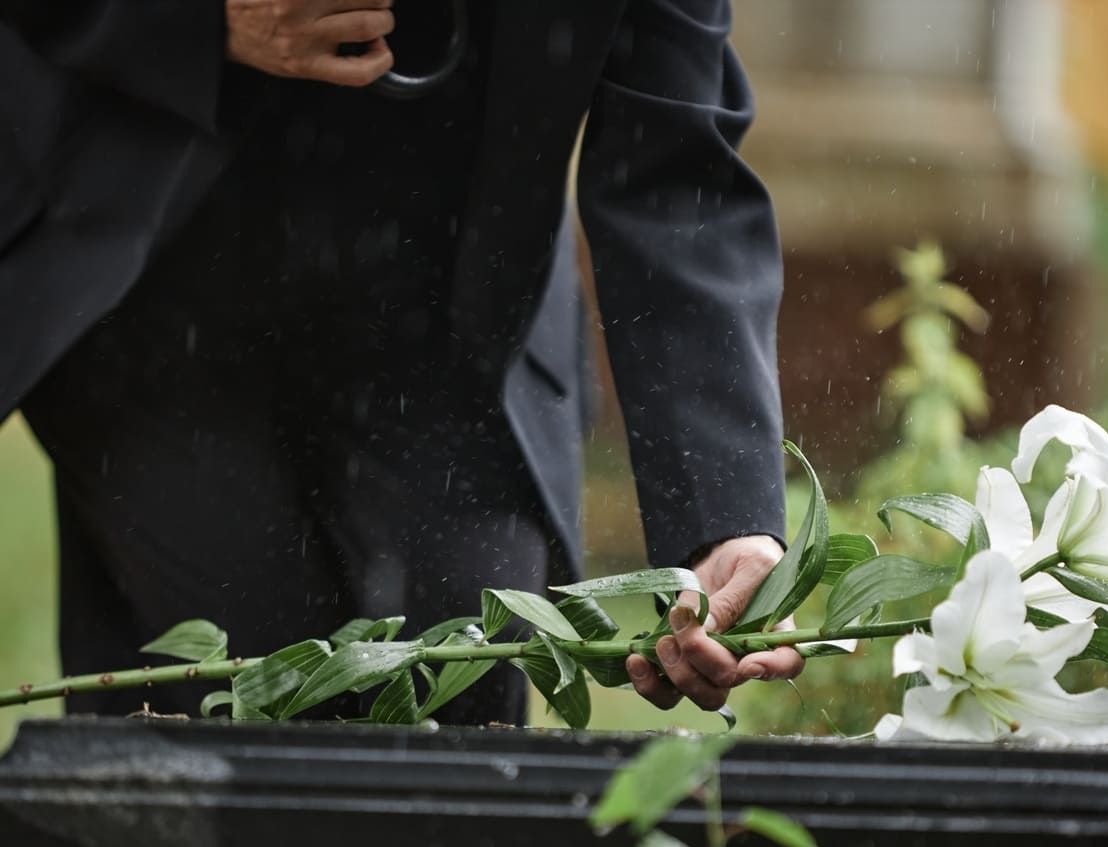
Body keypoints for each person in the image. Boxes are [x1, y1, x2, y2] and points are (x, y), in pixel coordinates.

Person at [0, 0, 803, 723]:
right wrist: (197, 22)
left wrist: (724, 523)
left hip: (457, 323)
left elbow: (675, 178)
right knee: (237, 702)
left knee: (461, 682)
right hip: (164, 289)